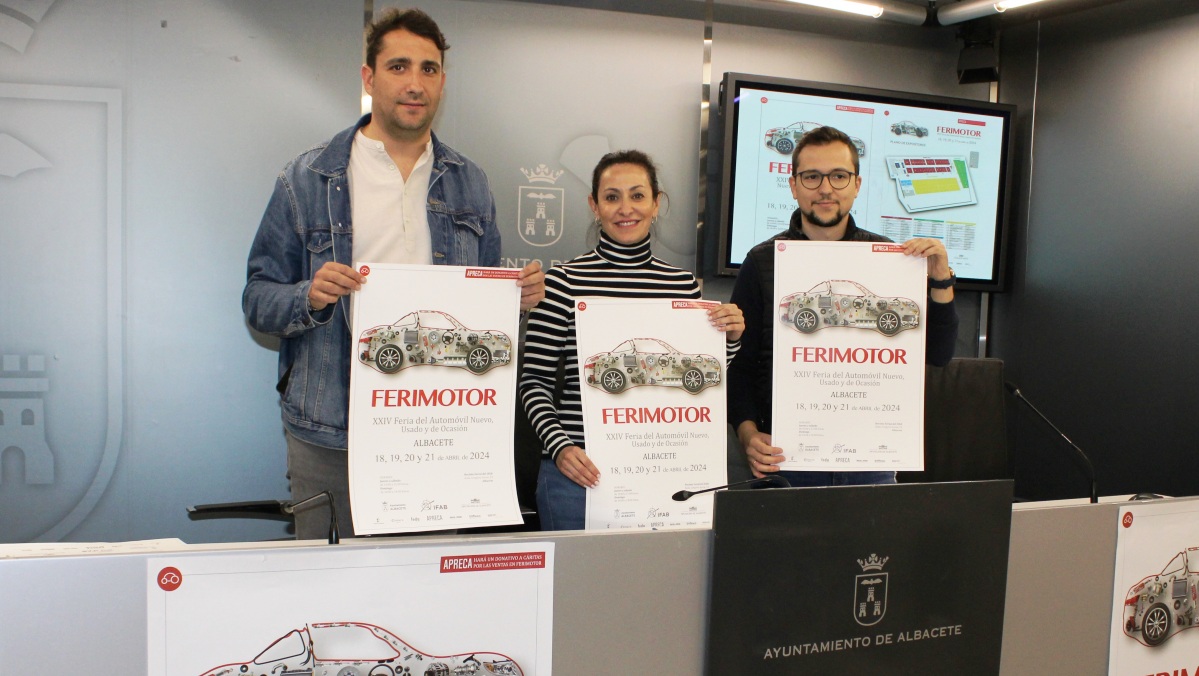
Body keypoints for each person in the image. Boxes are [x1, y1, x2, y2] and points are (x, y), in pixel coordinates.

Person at [242, 8, 545, 539]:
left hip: (442, 431)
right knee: (330, 580)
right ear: (369, 77)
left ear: (442, 83)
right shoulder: (307, 178)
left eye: (429, 69)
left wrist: (513, 300)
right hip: (332, 431)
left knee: (423, 582)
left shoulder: (471, 183)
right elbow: (257, 298)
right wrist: (309, 296)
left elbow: (482, 308)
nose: (414, 83)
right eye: (398, 67)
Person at [519, 150, 745, 531]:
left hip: (663, 473)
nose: (626, 208)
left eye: (638, 195)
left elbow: (700, 380)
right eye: (612, 197)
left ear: (656, 203)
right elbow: (534, 382)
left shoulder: (682, 286)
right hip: (578, 478)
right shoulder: (563, 282)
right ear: (594, 206)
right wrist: (560, 447)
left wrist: (732, 338)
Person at [728, 125, 958, 488]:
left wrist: (940, 278)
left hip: (871, 461)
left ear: (856, 184)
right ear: (793, 186)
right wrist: (747, 435)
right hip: (785, 460)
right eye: (812, 177)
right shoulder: (762, 261)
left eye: (838, 176)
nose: (825, 188)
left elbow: (939, 355)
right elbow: (740, 367)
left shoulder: (891, 259)